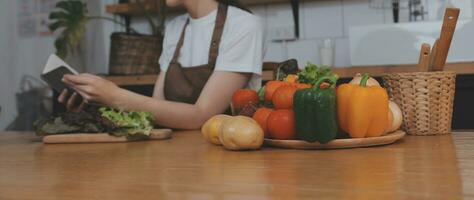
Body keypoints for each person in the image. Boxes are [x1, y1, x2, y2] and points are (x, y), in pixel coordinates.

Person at [59, 0, 265, 129]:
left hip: (225, 161)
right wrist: (97, 103)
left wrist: (115, 95)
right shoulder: (175, 28)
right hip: (174, 158)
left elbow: (202, 116)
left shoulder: (244, 25)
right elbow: (157, 111)